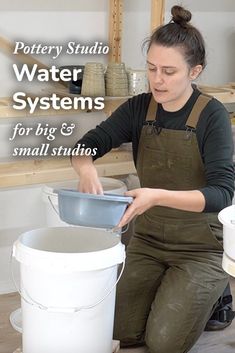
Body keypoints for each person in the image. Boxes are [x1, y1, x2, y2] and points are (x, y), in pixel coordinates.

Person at [71, 5, 234, 353]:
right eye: (151, 68)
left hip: (201, 248)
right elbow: (88, 144)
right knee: (116, 331)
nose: (157, 79)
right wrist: (85, 167)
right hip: (148, 241)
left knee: (163, 344)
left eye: (169, 71)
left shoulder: (212, 116)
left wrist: (156, 196)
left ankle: (217, 296)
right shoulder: (138, 107)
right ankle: (167, 289)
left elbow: (223, 194)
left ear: (195, 71)